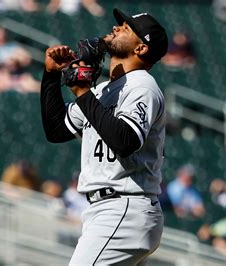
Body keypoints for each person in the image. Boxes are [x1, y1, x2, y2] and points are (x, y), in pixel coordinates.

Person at [40, 7, 168, 265]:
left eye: (127, 28)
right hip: (106, 209)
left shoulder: (142, 86)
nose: (116, 27)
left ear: (141, 48)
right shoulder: (103, 90)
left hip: (125, 206)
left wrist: (82, 92)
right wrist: (52, 75)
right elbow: (56, 129)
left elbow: (126, 141)